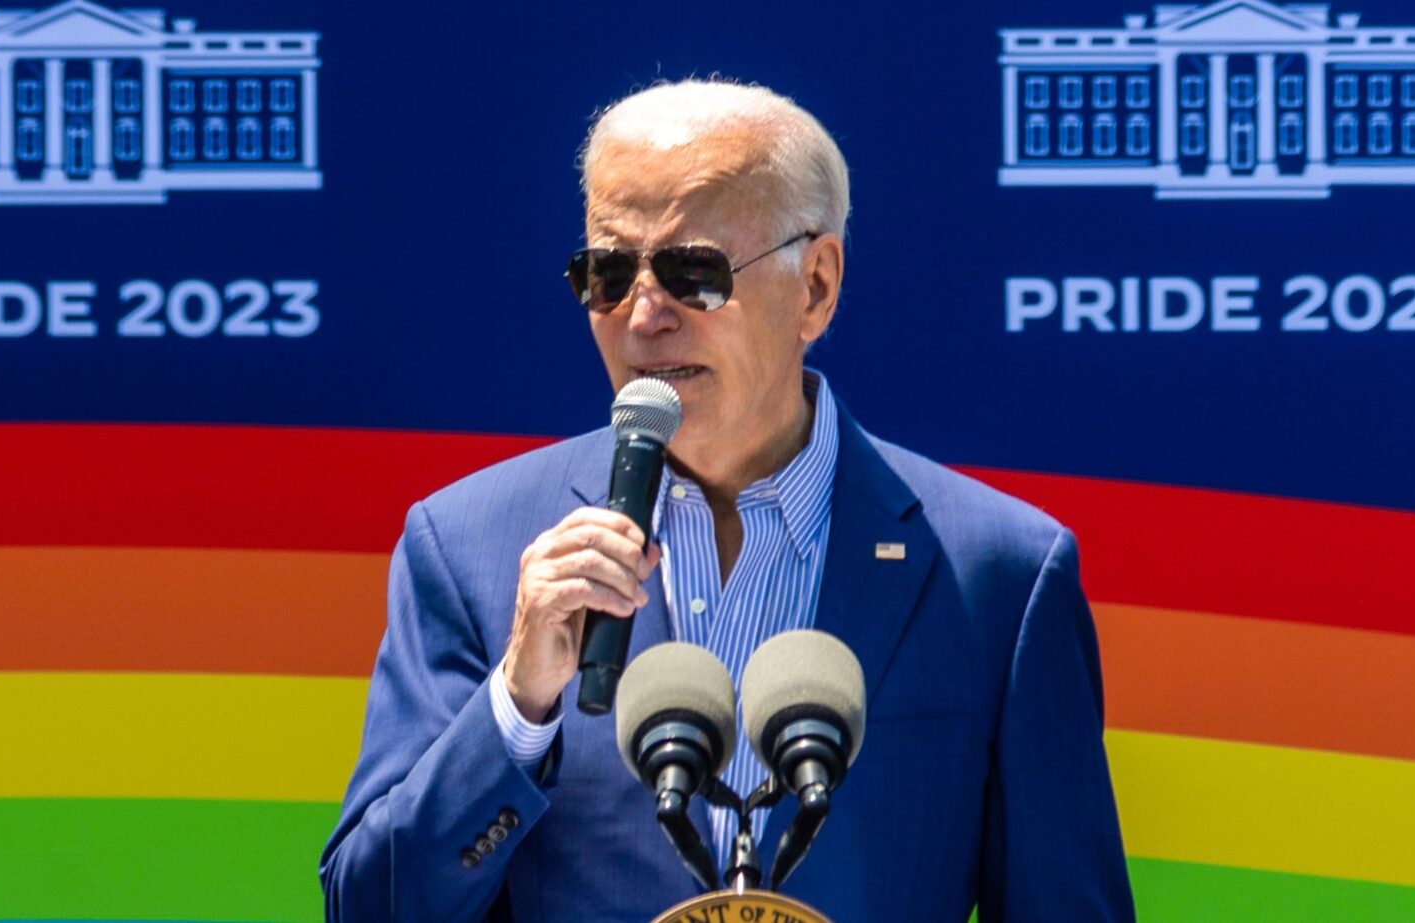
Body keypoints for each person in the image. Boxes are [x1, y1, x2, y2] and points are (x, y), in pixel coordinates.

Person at [320, 79, 1134, 922]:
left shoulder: (997, 572)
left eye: (692, 272)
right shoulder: (468, 547)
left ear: (815, 285)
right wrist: (518, 707)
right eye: (607, 272)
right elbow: (370, 905)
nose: (643, 316)